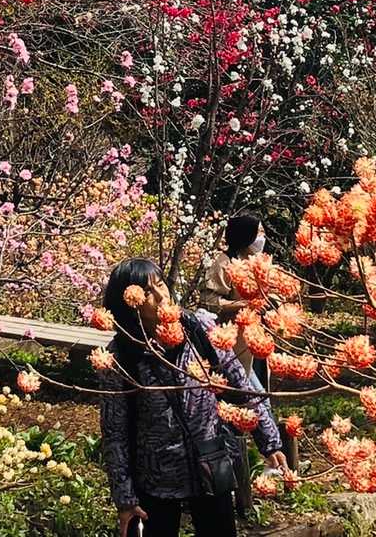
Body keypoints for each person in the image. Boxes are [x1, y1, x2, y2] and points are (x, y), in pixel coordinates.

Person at [99, 258, 289, 537]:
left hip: (210, 463)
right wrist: (125, 499)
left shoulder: (199, 330)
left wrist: (270, 443)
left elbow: (242, 386)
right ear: (128, 302)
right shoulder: (120, 357)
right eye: (147, 292)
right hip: (156, 477)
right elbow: (114, 433)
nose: (161, 296)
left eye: (160, 284)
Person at [198, 214, 266, 385]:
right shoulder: (224, 263)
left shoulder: (257, 261)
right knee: (250, 390)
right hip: (235, 342)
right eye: (259, 232)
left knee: (260, 385)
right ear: (246, 235)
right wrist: (243, 304)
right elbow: (209, 301)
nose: (262, 237)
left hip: (258, 336)